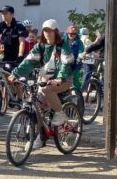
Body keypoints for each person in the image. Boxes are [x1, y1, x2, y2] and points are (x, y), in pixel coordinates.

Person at [8, 19, 74, 149]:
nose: (47, 33)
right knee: (36, 103)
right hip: (46, 78)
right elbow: (29, 61)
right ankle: (40, 136)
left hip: (64, 79)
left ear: (55, 32)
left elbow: (66, 64)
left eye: (50, 31)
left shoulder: (63, 45)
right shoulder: (41, 46)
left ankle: (60, 114)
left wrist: (60, 78)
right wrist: (15, 73)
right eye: (45, 31)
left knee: (47, 90)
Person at [65, 25, 84, 90]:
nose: (72, 35)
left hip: (75, 63)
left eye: (74, 34)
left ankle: (78, 96)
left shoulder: (79, 42)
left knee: (75, 80)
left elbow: (81, 51)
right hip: (64, 63)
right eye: (70, 33)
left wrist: (81, 55)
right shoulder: (63, 41)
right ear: (67, 33)